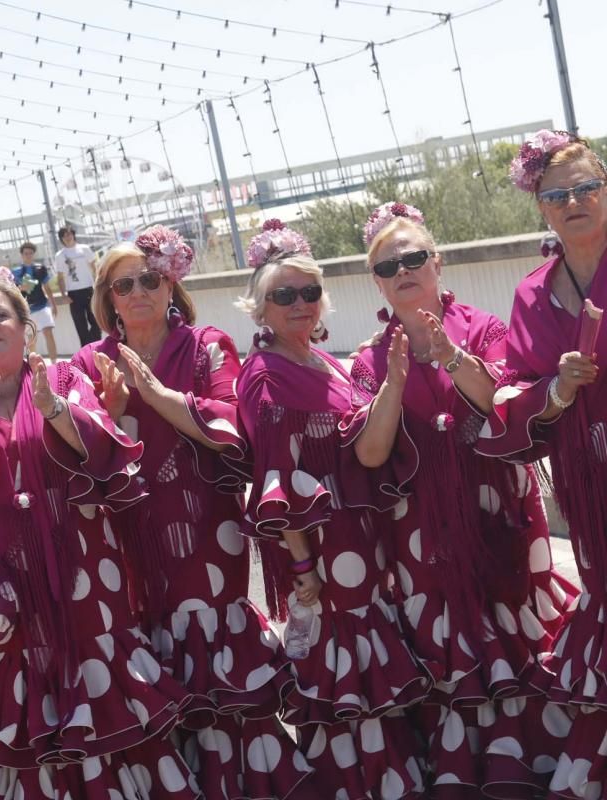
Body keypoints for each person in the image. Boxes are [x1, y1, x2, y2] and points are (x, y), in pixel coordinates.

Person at [0, 258, 196, 797]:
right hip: (1, 590)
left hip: (84, 573)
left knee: (104, 710)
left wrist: (53, 408)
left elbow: (103, 447)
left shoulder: (60, 378)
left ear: (24, 326)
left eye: (1, 315)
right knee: (24, 715)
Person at [72, 227, 312, 798]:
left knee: (213, 644)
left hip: (204, 525)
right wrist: (104, 416)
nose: (137, 292)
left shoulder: (205, 343)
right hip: (130, 531)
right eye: (122, 283)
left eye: (149, 279)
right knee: (149, 645)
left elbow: (231, 423)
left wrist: (155, 396)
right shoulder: (88, 360)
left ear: (170, 282)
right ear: (106, 296)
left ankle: (243, 780)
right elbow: (74, 449)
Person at [351, 202, 576, 796]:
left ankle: (529, 757)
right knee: (444, 638)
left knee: (512, 622)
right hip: (420, 524)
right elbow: (371, 455)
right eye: (387, 265)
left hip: (495, 506)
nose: (403, 270)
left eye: (414, 257)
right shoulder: (371, 358)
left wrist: (450, 354)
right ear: (376, 280)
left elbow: (502, 402)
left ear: (438, 262)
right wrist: (394, 383)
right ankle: (461, 768)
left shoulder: (482, 327)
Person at [234, 220, 430, 798]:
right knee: (344, 667)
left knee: (369, 662)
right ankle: (359, 782)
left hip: (362, 537)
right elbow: (276, 477)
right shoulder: (268, 378)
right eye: (283, 295)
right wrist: (303, 570)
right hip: (325, 550)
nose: (300, 304)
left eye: (309, 292)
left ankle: (387, 774)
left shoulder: (325, 361)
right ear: (260, 308)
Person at [478, 130, 607, 798]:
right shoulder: (532, 294)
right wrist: (556, 389)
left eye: (588, 187)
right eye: (558, 195)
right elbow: (514, 388)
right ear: (543, 210)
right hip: (588, 488)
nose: (575, 201)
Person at [53, 225, 102, 346]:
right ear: (61, 239)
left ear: (73, 235)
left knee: (96, 322)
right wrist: (64, 295)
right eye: (64, 235)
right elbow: (60, 277)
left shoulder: (84, 249)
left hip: (89, 290)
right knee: (80, 326)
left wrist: (98, 285)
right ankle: (86, 352)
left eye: (69, 234)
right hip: (73, 294)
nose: (67, 237)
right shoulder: (60, 255)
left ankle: (96, 347)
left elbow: (94, 268)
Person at [12, 242, 60, 362]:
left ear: (33, 254)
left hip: (43, 306)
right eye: (25, 253)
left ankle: (54, 363)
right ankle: (33, 366)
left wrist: (53, 304)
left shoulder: (40, 268)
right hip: (27, 309)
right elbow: (11, 290)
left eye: (30, 253)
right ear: (21, 255)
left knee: (48, 332)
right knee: (31, 339)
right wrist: (20, 288)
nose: (28, 255)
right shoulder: (15, 272)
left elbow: (47, 287)